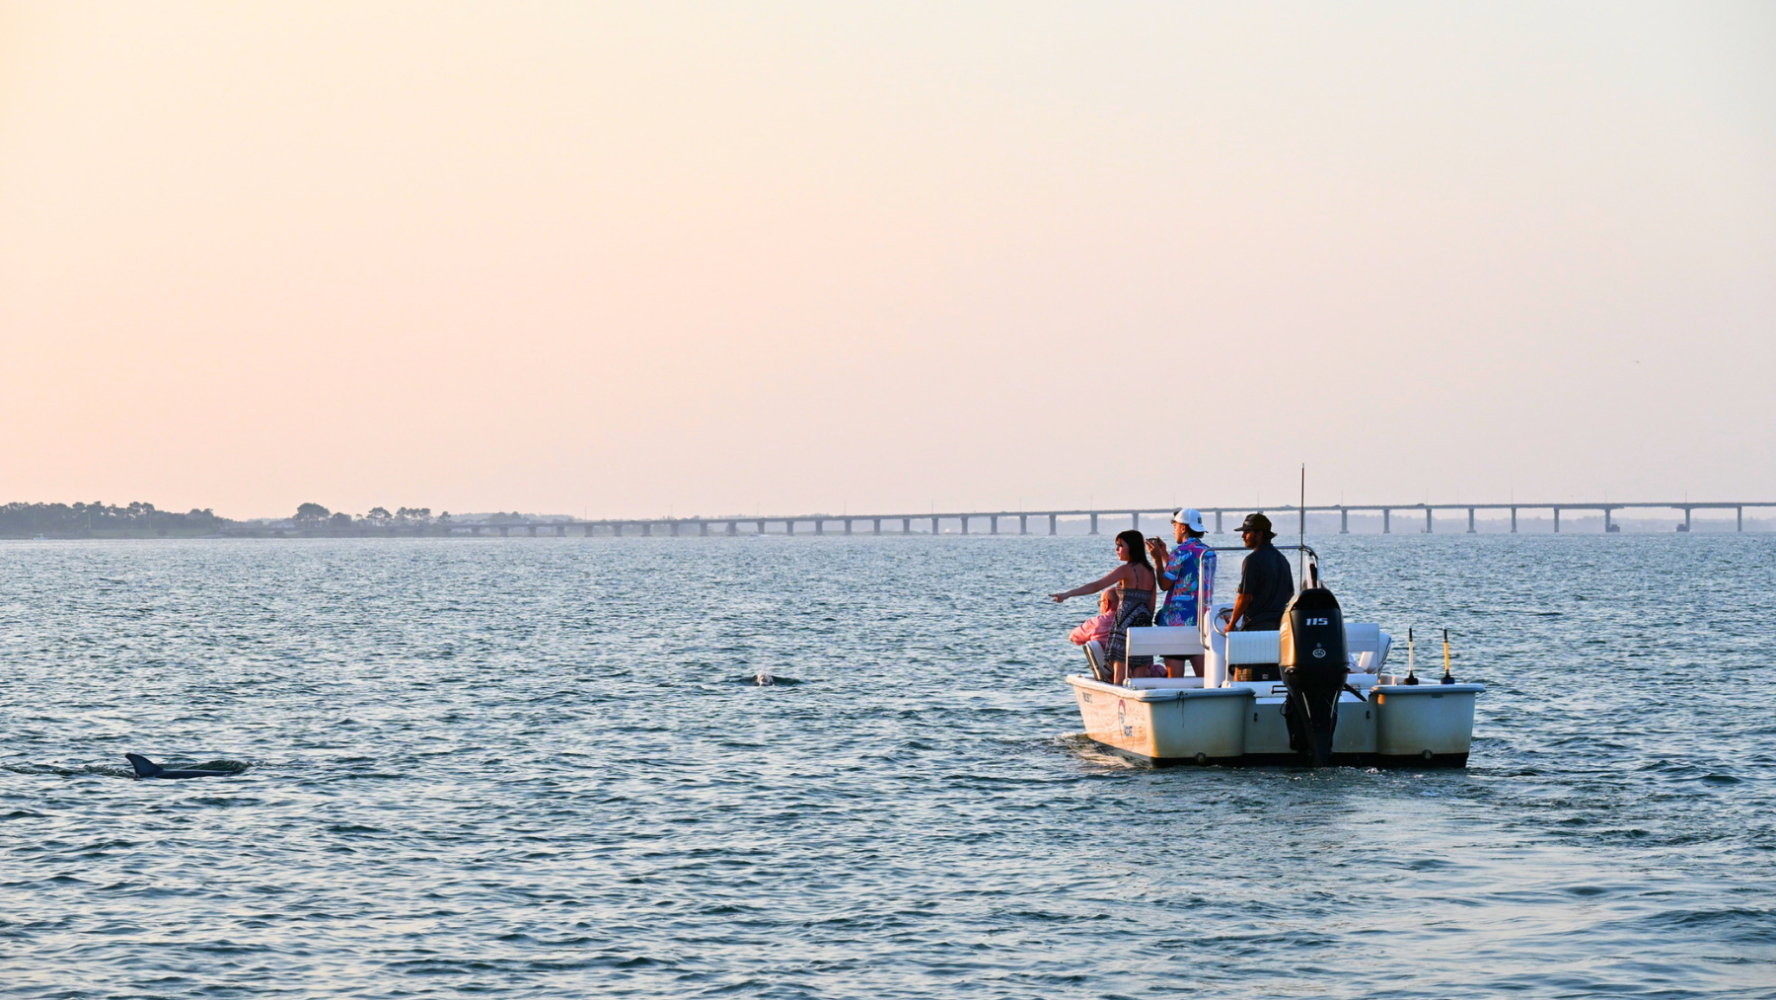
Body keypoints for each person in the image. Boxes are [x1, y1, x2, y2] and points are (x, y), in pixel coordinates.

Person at [1050, 529, 1158, 684]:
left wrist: (1068, 594)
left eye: (1120, 545)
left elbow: (1097, 586)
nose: (1117, 550)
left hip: (1123, 626)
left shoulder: (1126, 570)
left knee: (1119, 677)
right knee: (1139, 677)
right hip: (1143, 626)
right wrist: (1144, 624)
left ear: (1132, 547)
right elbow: (1151, 606)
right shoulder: (1150, 572)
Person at [1145, 508, 1216, 677]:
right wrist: (1164, 555)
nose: (1173, 530)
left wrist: (1156, 560)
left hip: (1176, 623)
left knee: (1174, 681)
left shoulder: (1180, 551)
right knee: (1206, 678)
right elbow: (1187, 573)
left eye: (1175, 526)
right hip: (1201, 621)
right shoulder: (1209, 552)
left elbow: (1165, 583)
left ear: (1183, 528)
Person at [1226, 512, 1293, 632]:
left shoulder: (1252, 560)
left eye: (1247, 532)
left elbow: (1244, 597)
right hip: (1280, 625)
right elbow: (1290, 593)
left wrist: (1231, 624)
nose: (1243, 536)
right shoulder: (1282, 559)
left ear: (1259, 534)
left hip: (1256, 626)